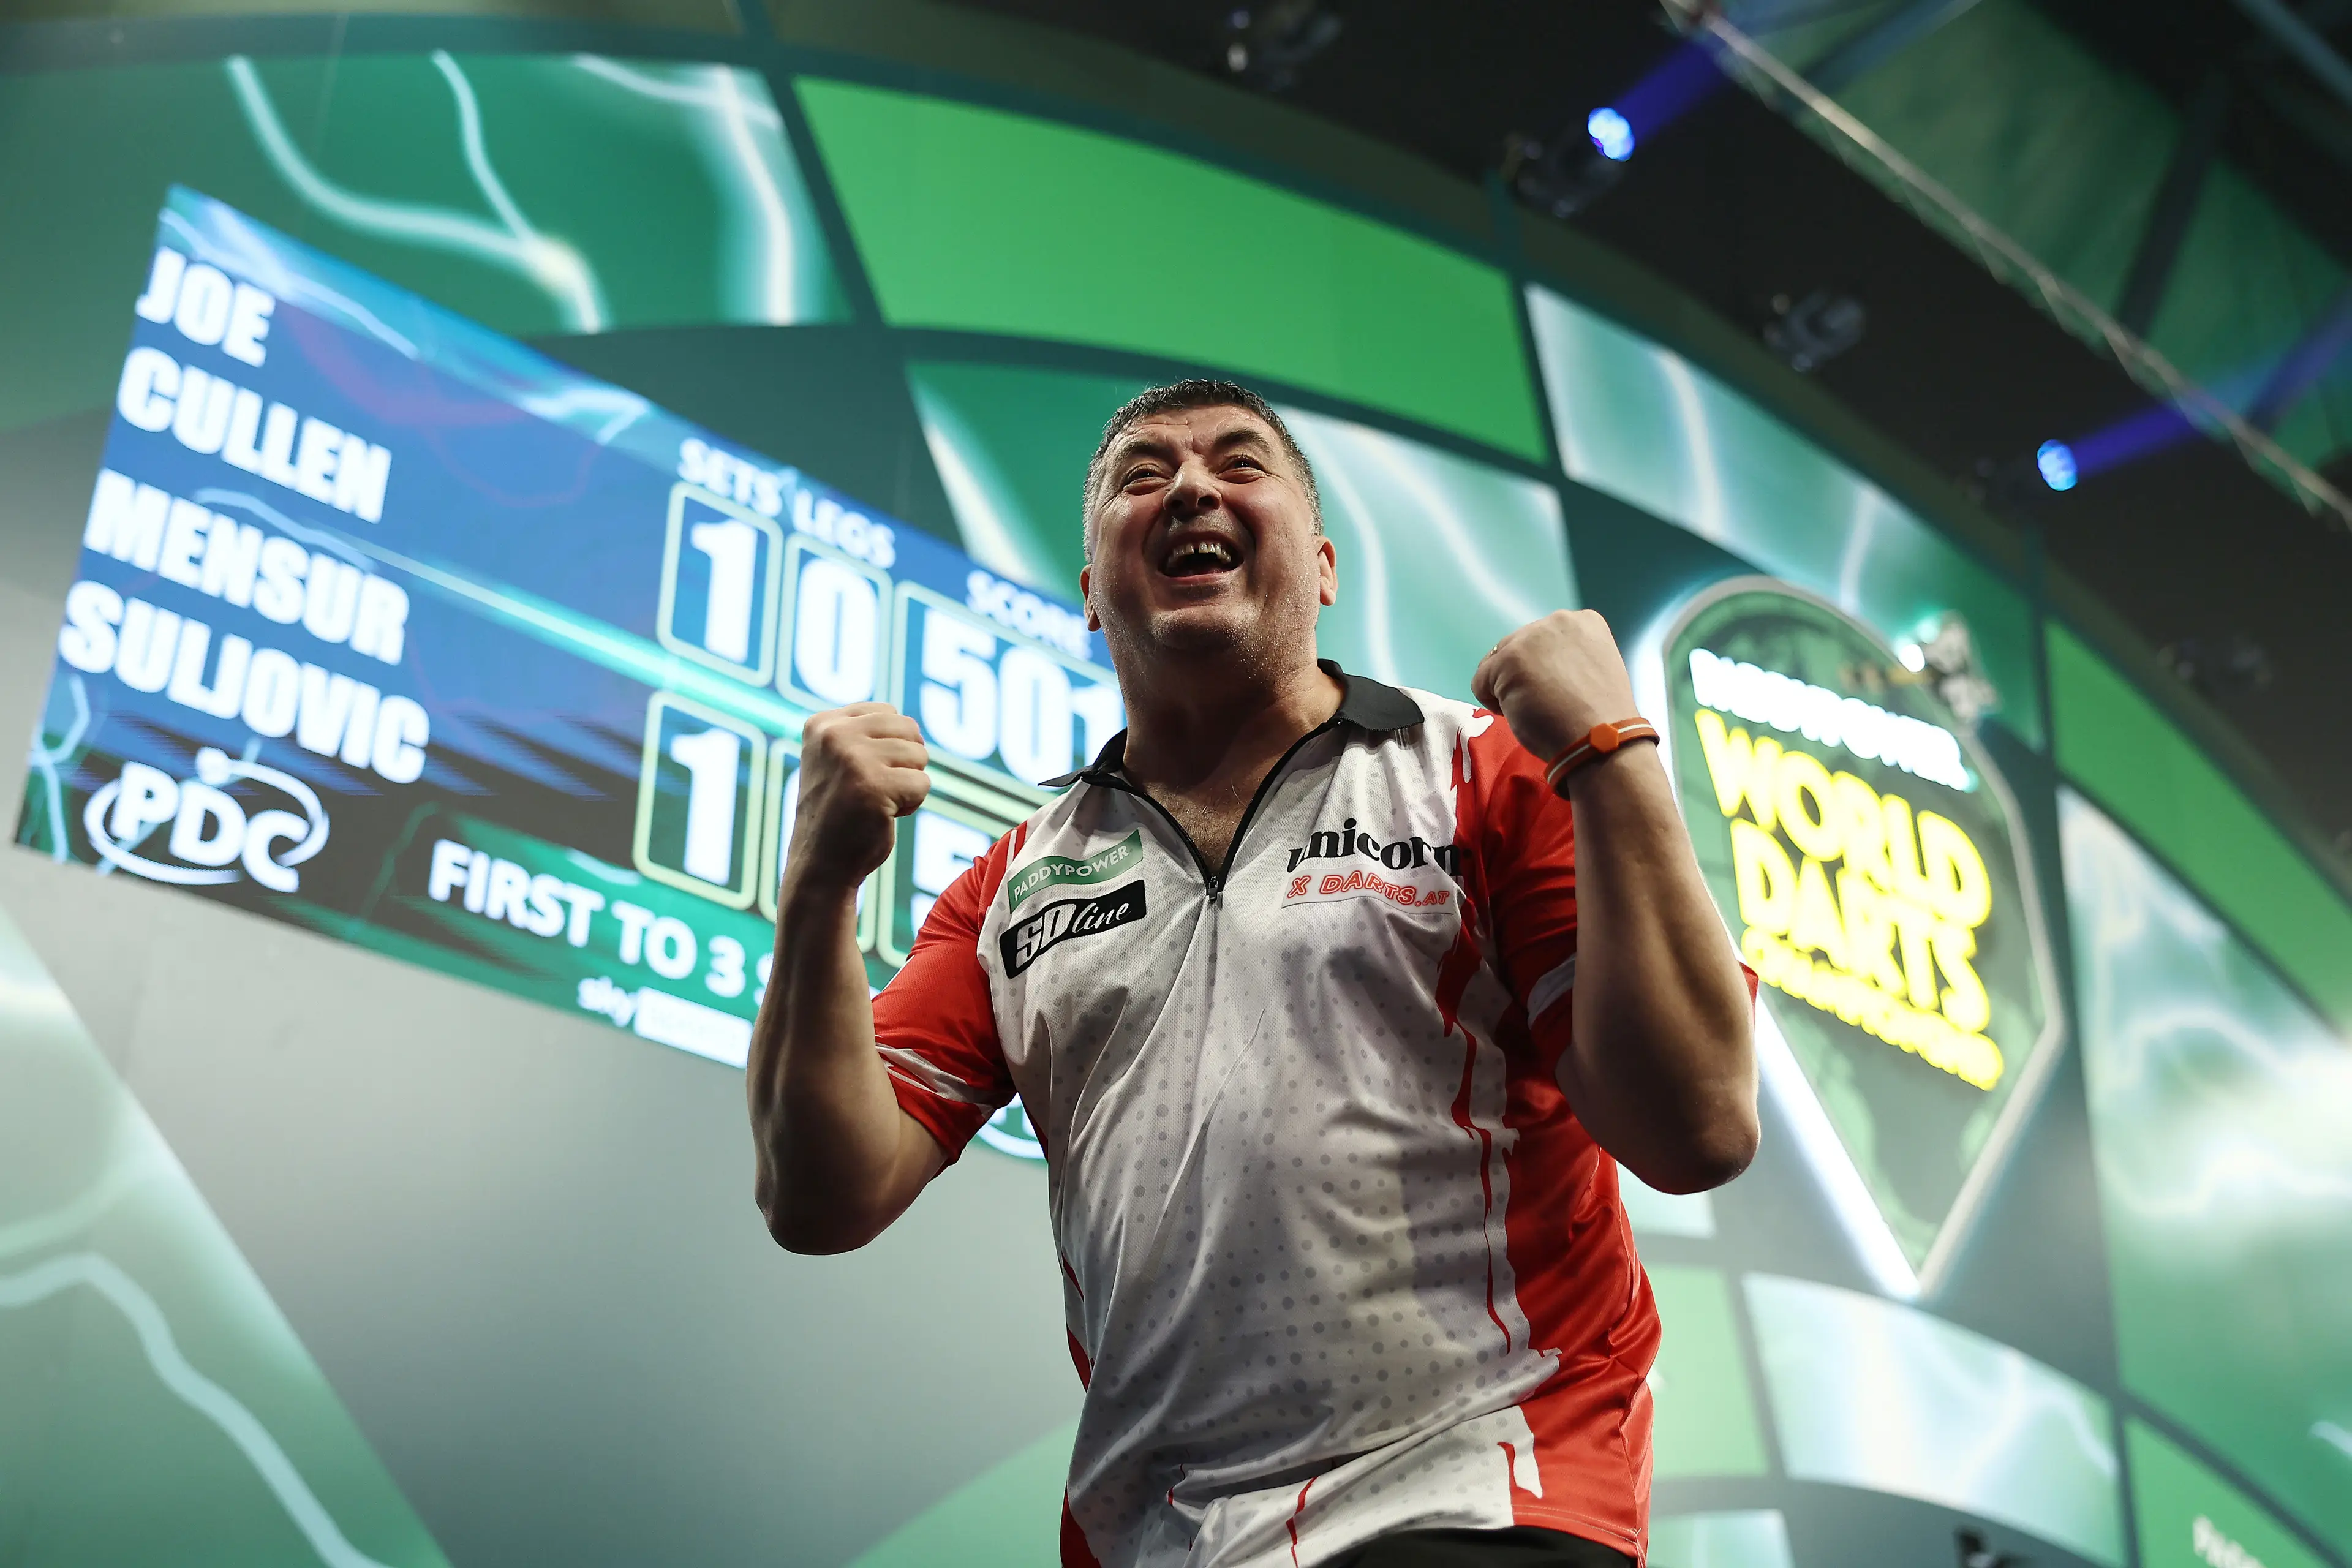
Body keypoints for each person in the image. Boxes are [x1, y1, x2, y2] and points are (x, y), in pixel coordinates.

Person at [748, 380, 1758, 1568]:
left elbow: (1696, 1124)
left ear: (1324, 567)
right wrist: (816, 889)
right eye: (1141, 473)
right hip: (1164, 1537)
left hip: (1477, 1496)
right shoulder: (1011, 888)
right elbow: (821, 1194)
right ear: (1088, 594)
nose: (1188, 487)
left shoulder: (1480, 773)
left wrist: (1610, 746)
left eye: (1239, 463)